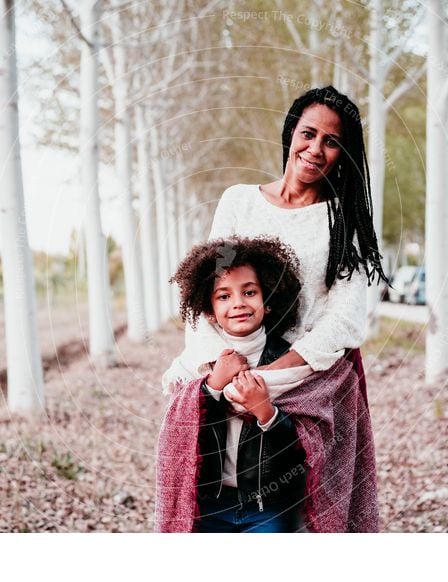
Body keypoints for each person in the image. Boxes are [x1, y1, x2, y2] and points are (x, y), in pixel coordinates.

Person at [156, 86, 388, 533]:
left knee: (298, 510)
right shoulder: (239, 201)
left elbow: (343, 319)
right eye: (308, 133)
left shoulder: (342, 222)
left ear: (344, 154)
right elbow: (208, 289)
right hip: (226, 367)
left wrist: (269, 377)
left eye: (332, 142)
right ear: (290, 133)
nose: (315, 150)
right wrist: (218, 370)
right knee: (206, 496)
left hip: (306, 381)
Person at [162, 236, 308, 532]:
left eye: (250, 292)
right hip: (208, 505)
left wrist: (265, 411)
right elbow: (181, 432)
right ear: (208, 310)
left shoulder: (293, 361)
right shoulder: (197, 362)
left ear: (269, 301)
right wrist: (214, 383)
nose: (238, 303)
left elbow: (308, 447)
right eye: (224, 296)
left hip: (270, 507)